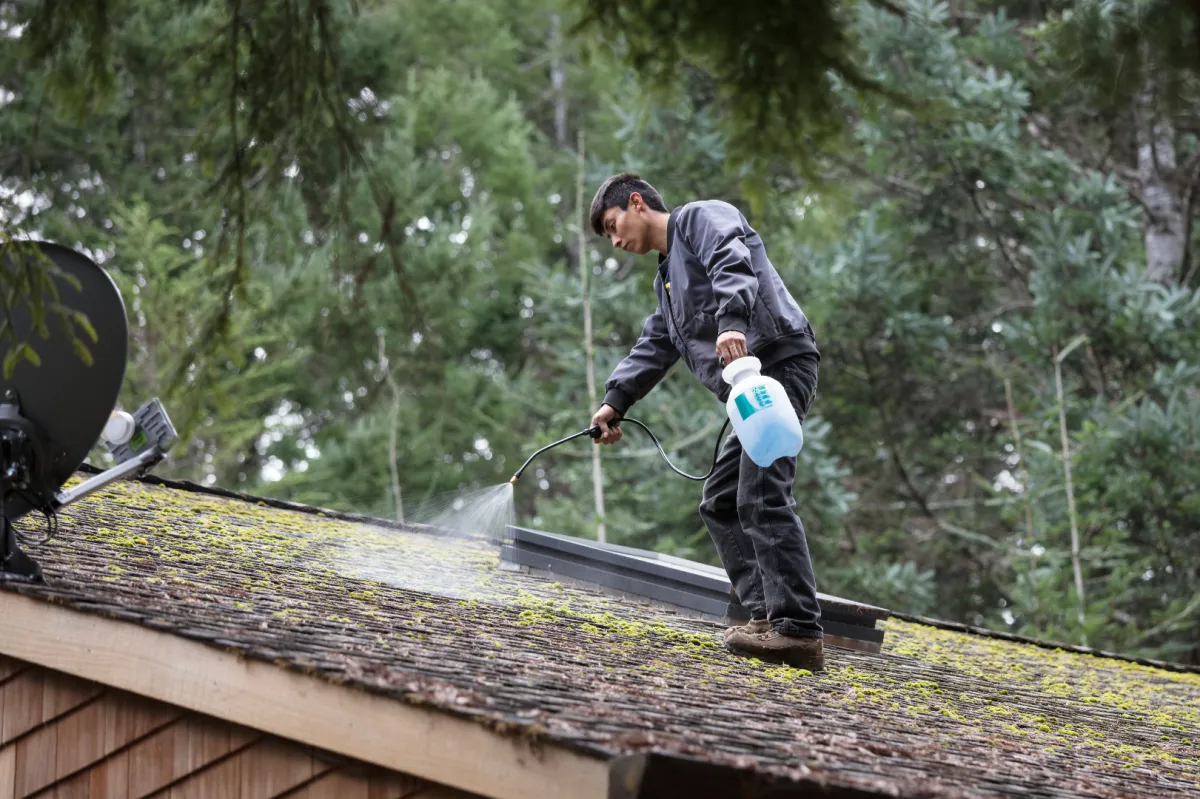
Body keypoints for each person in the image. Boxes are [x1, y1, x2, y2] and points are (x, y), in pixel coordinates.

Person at [588, 173, 825, 671]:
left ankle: (799, 628)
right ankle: (766, 617)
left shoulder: (698, 218)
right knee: (720, 501)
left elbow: (731, 260)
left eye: (614, 225)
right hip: (748, 392)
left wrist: (733, 324)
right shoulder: (667, 282)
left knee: (761, 493)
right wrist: (616, 401)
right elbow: (656, 343)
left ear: (637, 203)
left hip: (776, 365)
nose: (616, 241)